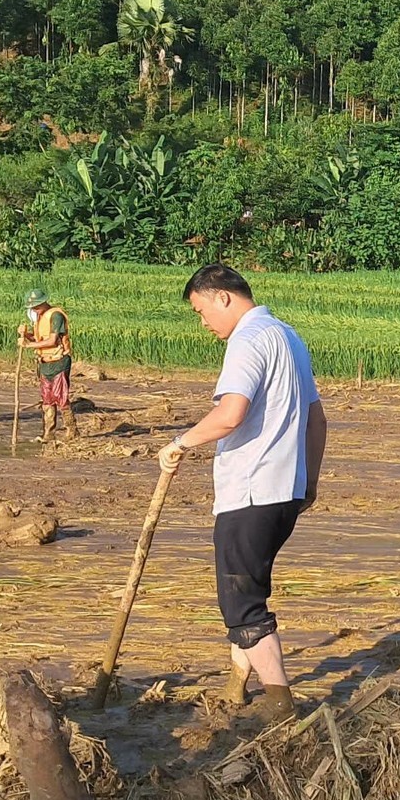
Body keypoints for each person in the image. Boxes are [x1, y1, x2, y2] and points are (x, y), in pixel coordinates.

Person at [159, 265, 326, 726]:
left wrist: (179, 443)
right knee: (246, 587)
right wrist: (307, 482)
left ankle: (280, 702)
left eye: (200, 311)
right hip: (284, 493)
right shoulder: (289, 337)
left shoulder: (248, 340)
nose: (203, 323)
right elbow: (317, 420)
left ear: (224, 298)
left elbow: (230, 414)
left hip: (250, 492)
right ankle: (237, 685)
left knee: (241, 603)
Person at [18, 288, 76, 442]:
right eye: (33, 308)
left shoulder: (56, 316)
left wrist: (28, 345)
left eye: (36, 306)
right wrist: (26, 335)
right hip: (44, 362)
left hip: (59, 361)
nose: (34, 310)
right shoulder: (39, 317)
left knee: (61, 397)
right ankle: (48, 433)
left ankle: (72, 430)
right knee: (47, 400)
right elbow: (39, 338)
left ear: (44, 303)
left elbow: (52, 341)